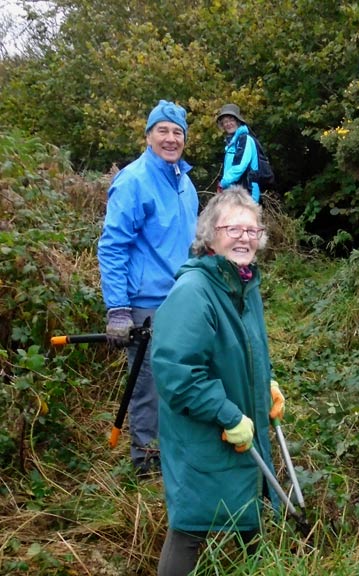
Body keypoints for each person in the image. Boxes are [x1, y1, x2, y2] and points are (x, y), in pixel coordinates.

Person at [151, 186, 286, 576]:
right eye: (233, 229)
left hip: (241, 424)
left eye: (252, 230)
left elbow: (248, 349)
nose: (244, 238)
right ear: (210, 235)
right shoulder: (194, 292)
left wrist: (267, 384)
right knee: (191, 525)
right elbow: (177, 373)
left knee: (249, 519)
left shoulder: (244, 286)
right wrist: (227, 414)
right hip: (205, 432)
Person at [97, 99, 199, 479]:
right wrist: (118, 308)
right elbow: (112, 246)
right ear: (148, 135)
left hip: (182, 299)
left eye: (178, 132)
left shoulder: (185, 183)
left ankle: (175, 452)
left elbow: (192, 243)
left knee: (182, 377)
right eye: (163, 131)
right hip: (145, 305)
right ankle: (146, 465)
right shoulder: (134, 180)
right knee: (149, 387)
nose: (171, 138)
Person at [216, 103, 261, 203]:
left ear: (238, 121)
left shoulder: (245, 139)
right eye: (225, 121)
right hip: (234, 194)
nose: (228, 124)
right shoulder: (232, 143)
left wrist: (222, 183)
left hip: (247, 193)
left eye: (231, 120)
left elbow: (240, 166)